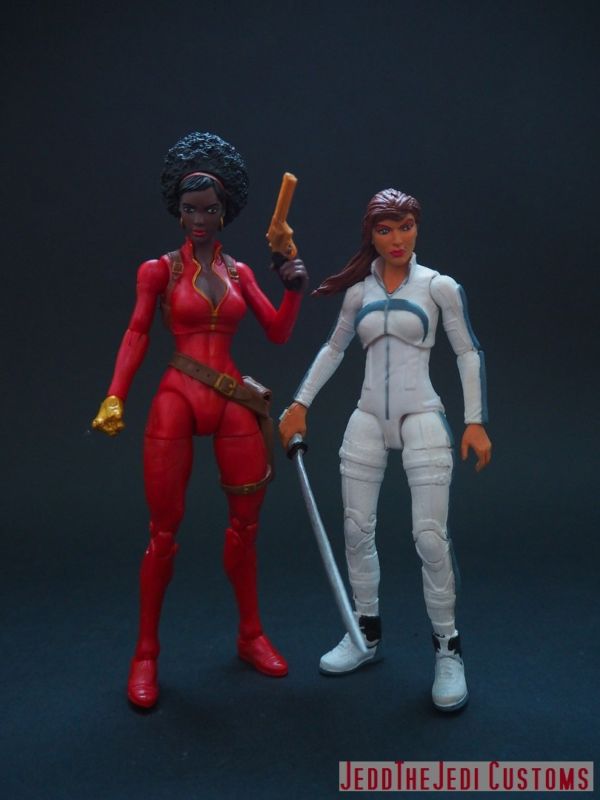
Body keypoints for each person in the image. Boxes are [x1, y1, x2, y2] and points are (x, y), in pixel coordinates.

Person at [93, 132, 308, 708]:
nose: (199, 220)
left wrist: (293, 289)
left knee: (246, 528)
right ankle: (145, 654)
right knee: (163, 532)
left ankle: (250, 635)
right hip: (178, 395)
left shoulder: (241, 273)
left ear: (224, 211)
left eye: (209, 210)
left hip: (232, 396)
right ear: (177, 210)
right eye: (190, 210)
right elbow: (137, 332)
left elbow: (278, 332)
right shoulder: (159, 271)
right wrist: (115, 395)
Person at [279, 188, 491, 712]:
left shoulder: (438, 287)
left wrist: (475, 421)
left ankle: (448, 649)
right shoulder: (358, 293)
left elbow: (467, 351)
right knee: (356, 530)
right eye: (385, 229)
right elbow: (334, 347)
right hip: (368, 416)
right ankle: (364, 634)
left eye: (406, 226)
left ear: (418, 227)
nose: (397, 239)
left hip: (422, 416)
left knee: (430, 538)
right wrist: (300, 402)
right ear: (370, 235)